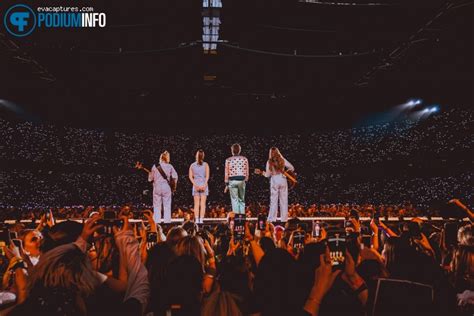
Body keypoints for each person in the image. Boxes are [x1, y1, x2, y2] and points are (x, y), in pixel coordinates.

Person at [261, 147, 295, 223]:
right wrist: (285, 172)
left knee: (273, 200)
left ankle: (272, 218)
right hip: (283, 179)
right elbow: (292, 168)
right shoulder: (282, 160)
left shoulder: (269, 162)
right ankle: (284, 219)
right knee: (284, 200)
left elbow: (267, 175)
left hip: (274, 180)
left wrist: (262, 173)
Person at [148, 151, 178, 224]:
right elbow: (175, 177)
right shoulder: (170, 166)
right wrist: (173, 186)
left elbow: (150, 179)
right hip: (166, 187)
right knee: (167, 205)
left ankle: (157, 222)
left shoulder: (155, 166)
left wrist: (151, 176)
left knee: (157, 205)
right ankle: (167, 222)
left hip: (157, 187)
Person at [224, 144, 249, 214]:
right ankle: (242, 216)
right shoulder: (244, 159)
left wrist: (226, 183)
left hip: (232, 180)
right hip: (242, 180)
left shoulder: (228, 160)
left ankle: (236, 216)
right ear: (239, 150)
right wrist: (246, 180)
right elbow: (247, 170)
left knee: (234, 200)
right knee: (241, 199)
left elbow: (226, 172)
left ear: (232, 151)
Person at [189, 150, 210, 224]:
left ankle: (197, 219)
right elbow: (207, 176)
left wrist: (195, 185)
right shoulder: (206, 165)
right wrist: (204, 185)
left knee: (196, 204)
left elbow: (190, 177)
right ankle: (201, 219)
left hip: (196, 185)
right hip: (203, 185)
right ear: (203, 156)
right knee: (203, 204)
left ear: (196, 156)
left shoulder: (192, 165)